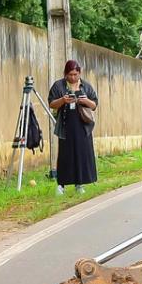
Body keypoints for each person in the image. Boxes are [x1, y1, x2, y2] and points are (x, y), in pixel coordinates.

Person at [48, 59, 99, 195]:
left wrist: (85, 100)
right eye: (70, 74)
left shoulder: (85, 86)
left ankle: (80, 183)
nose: (73, 77)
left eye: (75, 74)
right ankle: (61, 184)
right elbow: (51, 103)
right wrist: (63, 100)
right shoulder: (59, 86)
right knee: (65, 155)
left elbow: (94, 104)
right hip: (66, 126)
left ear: (79, 73)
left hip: (82, 127)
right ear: (65, 74)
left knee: (81, 155)